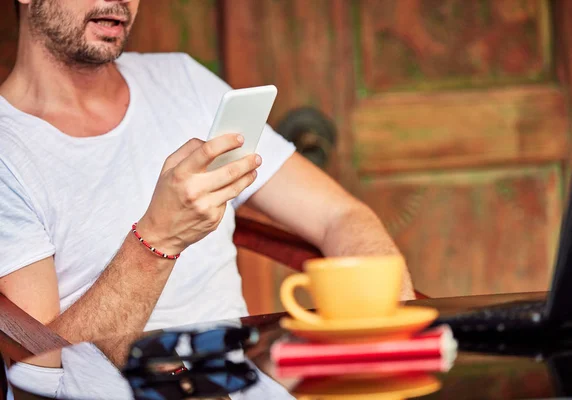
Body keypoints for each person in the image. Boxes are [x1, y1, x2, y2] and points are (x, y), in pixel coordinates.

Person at [0, 0, 415, 348]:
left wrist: (397, 334)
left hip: (241, 383)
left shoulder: (182, 79)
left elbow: (339, 216)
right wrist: (156, 240)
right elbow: (46, 371)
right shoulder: (7, 148)